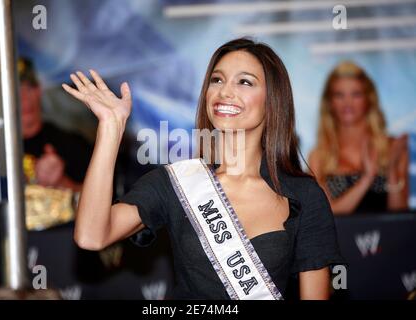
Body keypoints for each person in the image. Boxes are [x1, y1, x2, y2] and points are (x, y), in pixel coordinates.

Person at [62, 38, 344, 300]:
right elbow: (91, 236)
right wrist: (111, 128)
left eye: (245, 82)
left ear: (273, 101)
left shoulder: (303, 195)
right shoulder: (177, 182)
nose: (225, 92)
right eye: (217, 80)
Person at [309, 61, 409, 215]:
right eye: (339, 95)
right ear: (329, 103)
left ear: (369, 99)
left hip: (389, 239)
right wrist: (367, 178)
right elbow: (327, 217)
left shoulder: (392, 148)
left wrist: (392, 170)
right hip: (341, 239)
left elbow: (401, 218)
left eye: (356, 94)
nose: (347, 103)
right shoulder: (319, 157)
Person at [18, 57, 92, 192]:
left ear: (39, 90)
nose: (24, 98)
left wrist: (60, 182)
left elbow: (100, 201)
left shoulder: (71, 144)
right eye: (15, 92)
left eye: (29, 88)